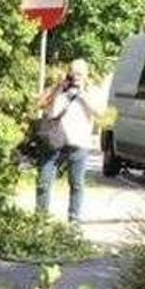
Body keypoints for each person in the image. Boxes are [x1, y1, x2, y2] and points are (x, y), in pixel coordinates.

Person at [35, 59, 103, 224]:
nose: (76, 76)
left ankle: (74, 221)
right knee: (44, 182)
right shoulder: (59, 89)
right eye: (73, 72)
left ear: (86, 74)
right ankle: (40, 219)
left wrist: (82, 96)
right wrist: (62, 93)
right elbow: (48, 111)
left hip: (79, 144)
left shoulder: (92, 91)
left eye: (80, 73)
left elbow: (100, 113)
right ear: (69, 73)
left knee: (77, 184)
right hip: (55, 142)